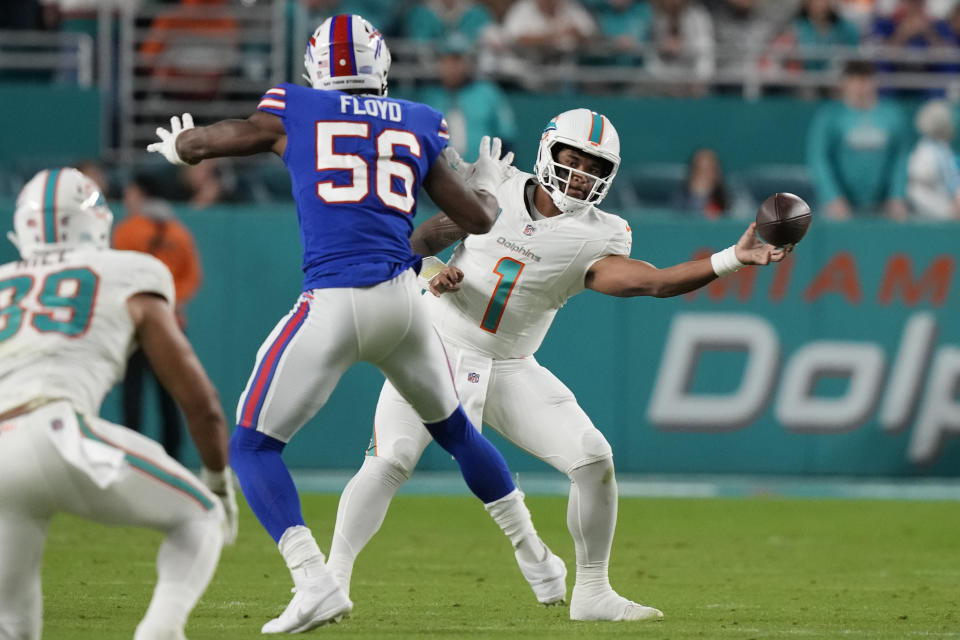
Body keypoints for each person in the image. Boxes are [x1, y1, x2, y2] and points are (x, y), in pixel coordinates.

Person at [147, 14, 562, 633]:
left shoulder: (295, 106)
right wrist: (487, 190)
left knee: (252, 445)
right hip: (401, 301)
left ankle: (315, 581)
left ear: (317, 67)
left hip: (334, 303)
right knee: (455, 434)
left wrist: (185, 145)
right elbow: (471, 222)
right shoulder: (420, 121)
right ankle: (540, 561)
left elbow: (226, 137)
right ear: (381, 67)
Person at [326, 109, 786, 622]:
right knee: (392, 459)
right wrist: (432, 270)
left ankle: (592, 591)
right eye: (574, 159)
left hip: (508, 363)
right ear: (548, 151)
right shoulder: (497, 189)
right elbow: (415, 244)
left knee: (593, 459)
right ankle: (331, 581)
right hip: (434, 342)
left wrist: (732, 258)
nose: (583, 174)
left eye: (595, 167)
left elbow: (652, 282)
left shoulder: (599, 233)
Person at [0, 167, 238, 640]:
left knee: (11, 625)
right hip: (56, 431)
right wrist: (219, 483)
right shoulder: (128, 270)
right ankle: (160, 632)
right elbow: (202, 402)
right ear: (98, 220)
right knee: (201, 515)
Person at [113, 175, 204, 460]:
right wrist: (166, 302)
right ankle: (173, 461)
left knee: (133, 398)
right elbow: (192, 277)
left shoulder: (128, 230)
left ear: (141, 194)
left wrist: (146, 304)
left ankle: (132, 458)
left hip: (135, 326)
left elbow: (120, 276)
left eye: (130, 192)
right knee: (172, 397)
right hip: (172, 324)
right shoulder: (179, 233)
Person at [806, 59, 910, 219]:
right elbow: (819, 159)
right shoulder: (830, 116)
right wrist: (832, 197)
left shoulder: (892, 115)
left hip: (882, 204)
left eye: (865, 80)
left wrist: (897, 196)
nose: (860, 86)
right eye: (855, 80)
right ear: (845, 84)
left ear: (875, 82)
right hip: (841, 204)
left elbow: (900, 159)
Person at [417, 33, 517, 162]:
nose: (452, 67)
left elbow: (506, 136)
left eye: (458, 60)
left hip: (483, 173)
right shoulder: (429, 96)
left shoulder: (487, 92)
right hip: (443, 176)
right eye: (446, 60)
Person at [907, 99, 960, 219]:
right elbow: (917, 186)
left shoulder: (945, 148)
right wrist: (948, 210)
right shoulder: (924, 151)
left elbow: (953, 178)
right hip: (934, 213)